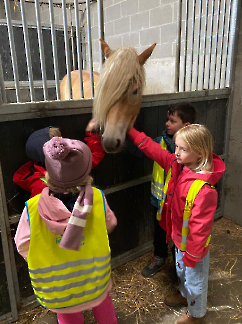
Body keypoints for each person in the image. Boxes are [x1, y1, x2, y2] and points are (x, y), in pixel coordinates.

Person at [128, 123, 225, 324]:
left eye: (182, 148)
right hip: (179, 240)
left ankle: (196, 314)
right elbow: (153, 149)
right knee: (182, 272)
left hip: (193, 247)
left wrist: (193, 254)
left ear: (199, 153)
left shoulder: (204, 190)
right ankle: (183, 294)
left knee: (195, 280)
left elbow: (200, 229)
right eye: (176, 146)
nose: (176, 152)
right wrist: (130, 129)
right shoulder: (178, 164)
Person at [14, 136, 118, 324]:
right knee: (104, 307)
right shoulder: (97, 198)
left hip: (59, 289)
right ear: (86, 171)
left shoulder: (32, 208)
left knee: (68, 316)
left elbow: (22, 244)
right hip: (95, 279)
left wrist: (42, 256)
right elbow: (110, 223)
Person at [128, 102, 197, 277]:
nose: (167, 123)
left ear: (186, 126)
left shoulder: (193, 152)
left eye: (172, 121)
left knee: (180, 236)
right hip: (160, 201)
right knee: (159, 231)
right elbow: (142, 148)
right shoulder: (161, 142)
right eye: (167, 119)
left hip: (180, 206)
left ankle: (178, 265)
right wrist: (124, 134)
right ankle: (159, 258)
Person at [13, 119, 104, 198]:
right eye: (57, 145)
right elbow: (39, 213)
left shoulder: (69, 163)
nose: (63, 145)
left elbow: (92, 157)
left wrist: (91, 133)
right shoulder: (39, 186)